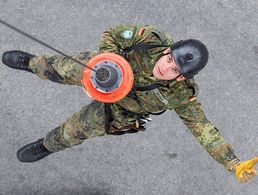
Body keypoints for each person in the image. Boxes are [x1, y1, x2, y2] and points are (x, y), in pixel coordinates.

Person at [2, 24, 257, 183]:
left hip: (118, 111)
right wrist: (110, 62)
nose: (165, 67)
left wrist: (231, 162)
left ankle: (46, 145)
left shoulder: (181, 93)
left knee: (73, 132)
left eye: (174, 70)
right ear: (169, 50)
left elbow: (203, 128)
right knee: (59, 67)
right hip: (106, 70)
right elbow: (112, 34)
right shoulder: (152, 40)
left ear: (181, 77)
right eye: (170, 59)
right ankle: (32, 63)